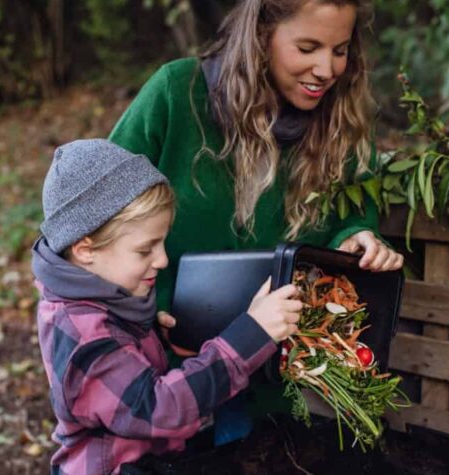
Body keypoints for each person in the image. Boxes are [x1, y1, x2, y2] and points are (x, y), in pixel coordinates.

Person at [108, 0, 404, 444]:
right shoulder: (177, 92)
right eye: (307, 47)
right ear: (261, 37)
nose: (326, 68)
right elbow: (99, 208)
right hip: (162, 374)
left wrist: (356, 234)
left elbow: (351, 209)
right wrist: (141, 303)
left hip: (268, 379)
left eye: (340, 50)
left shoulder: (340, 117)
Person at [31, 138, 303, 474]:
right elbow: (159, 409)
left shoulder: (100, 293)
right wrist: (250, 336)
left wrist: (152, 337)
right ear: (85, 249)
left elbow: (122, 363)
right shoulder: (82, 330)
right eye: (145, 250)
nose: (161, 260)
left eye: (163, 242)